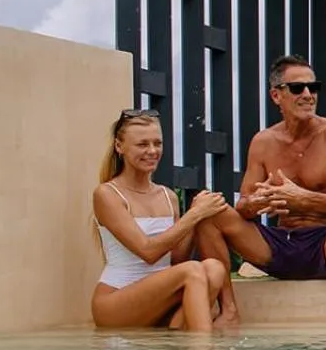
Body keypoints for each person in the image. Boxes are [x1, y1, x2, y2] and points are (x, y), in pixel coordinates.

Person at [195, 55, 326, 330]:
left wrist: (304, 199)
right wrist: (256, 203)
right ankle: (229, 309)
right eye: (297, 88)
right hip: (280, 245)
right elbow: (243, 205)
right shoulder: (263, 141)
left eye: (313, 88)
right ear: (276, 95)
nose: (307, 95)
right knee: (208, 210)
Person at [92, 109, 231, 332]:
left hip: (160, 299)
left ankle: (178, 338)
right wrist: (193, 215)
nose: (152, 151)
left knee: (213, 268)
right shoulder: (107, 194)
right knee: (192, 271)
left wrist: (199, 218)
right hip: (115, 301)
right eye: (142, 144)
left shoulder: (168, 196)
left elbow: (176, 258)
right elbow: (148, 252)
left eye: (157, 143)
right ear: (119, 147)